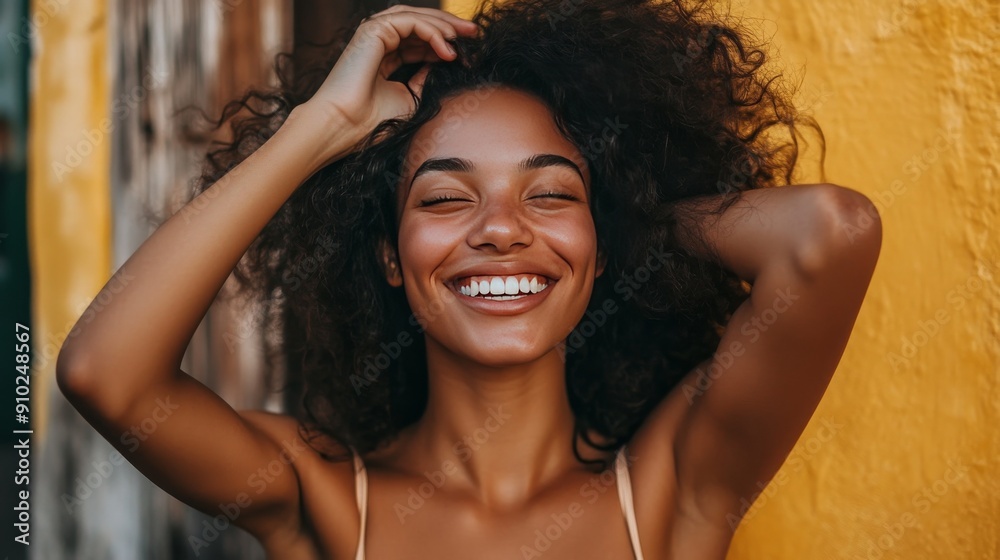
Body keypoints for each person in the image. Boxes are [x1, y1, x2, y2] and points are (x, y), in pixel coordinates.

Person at [57, 0, 882, 558]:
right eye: (448, 198)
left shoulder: (671, 494)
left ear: (599, 244)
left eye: (552, 194)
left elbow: (829, 236)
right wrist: (323, 128)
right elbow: (105, 376)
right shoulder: (326, 502)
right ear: (388, 254)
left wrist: (622, 220)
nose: (499, 229)